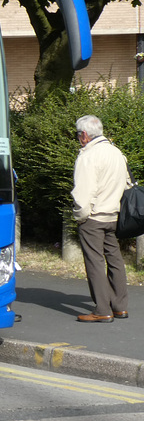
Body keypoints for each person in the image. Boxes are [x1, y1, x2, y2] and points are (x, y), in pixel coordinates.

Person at [71, 114, 131, 323]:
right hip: (113, 215)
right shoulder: (117, 153)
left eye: (78, 134)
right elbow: (126, 185)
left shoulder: (88, 156)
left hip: (93, 217)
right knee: (115, 259)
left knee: (95, 262)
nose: (78, 138)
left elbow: (83, 193)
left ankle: (102, 310)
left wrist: (80, 216)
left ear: (85, 135)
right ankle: (120, 307)